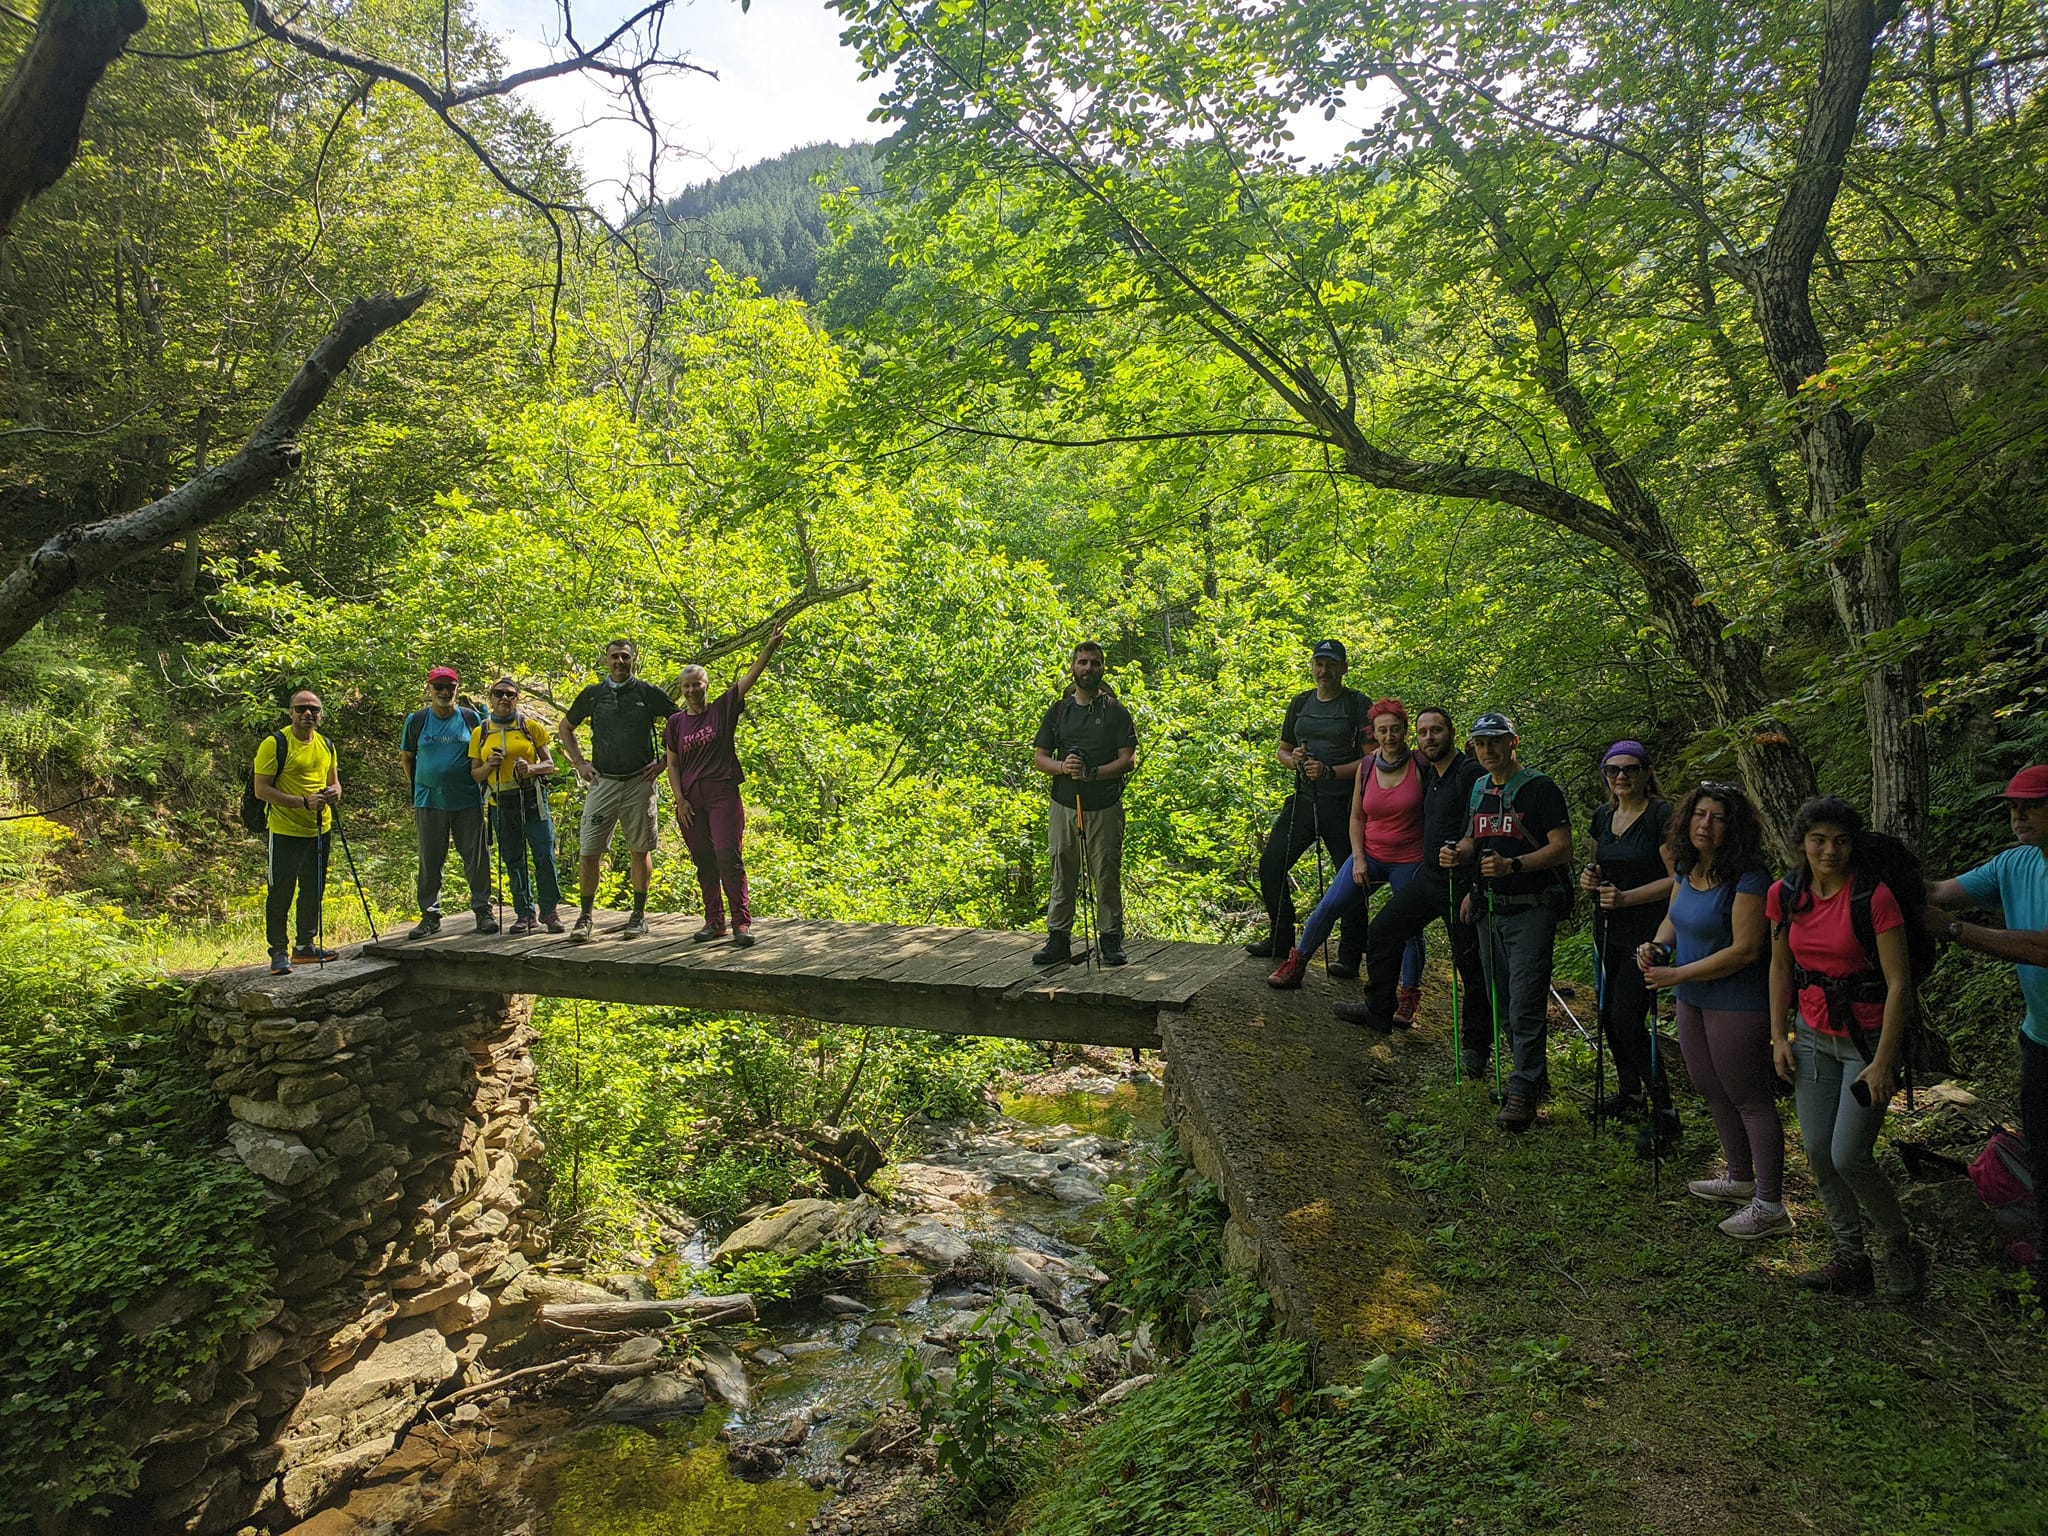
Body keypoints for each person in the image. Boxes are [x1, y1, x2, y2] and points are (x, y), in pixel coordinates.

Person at [1767, 796, 1929, 1300]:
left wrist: (1883, 1061)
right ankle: (1849, 1257)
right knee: (1817, 1150)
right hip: (1813, 1039)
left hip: (1866, 1042)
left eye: (1840, 840)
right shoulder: (1785, 894)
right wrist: (1779, 1035)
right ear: (1801, 844)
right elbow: (1779, 968)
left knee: (1849, 1154)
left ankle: (1902, 1245)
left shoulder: (1873, 898)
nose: (1829, 850)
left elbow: (1900, 983)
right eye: (1818, 840)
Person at [1921, 763, 2048, 1303]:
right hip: (2039, 1038)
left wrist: (1954, 932)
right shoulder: (2015, 862)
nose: (2018, 815)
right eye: (2013, 806)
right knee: (2042, 1156)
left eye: (2032, 805)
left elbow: (2042, 947)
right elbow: (1942, 891)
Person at [1638, 783, 1787, 1239]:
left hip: (1738, 1001)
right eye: (1700, 815)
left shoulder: (1749, 878)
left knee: (1749, 1096)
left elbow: (1746, 950)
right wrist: (1658, 948)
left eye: (1718, 818)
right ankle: (1740, 1177)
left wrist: (1678, 976)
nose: (1706, 825)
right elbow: (1674, 919)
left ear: (1734, 827)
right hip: (1693, 999)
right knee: (1710, 1087)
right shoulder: (1687, 867)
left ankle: (1771, 1204)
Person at [1441, 713, 1572, 1132]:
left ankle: (1521, 1090)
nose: (1487, 750)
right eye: (1480, 743)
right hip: (1488, 908)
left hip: (1531, 906)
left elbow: (1562, 848)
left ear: (1513, 742)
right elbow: (1471, 840)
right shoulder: (1479, 787)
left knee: (1525, 999)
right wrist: (1457, 856)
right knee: (1501, 999)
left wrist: (1513, 865)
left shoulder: (1540, 788)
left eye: (1495, 741)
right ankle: (1532, 1078)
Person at [1333, 707, 1490, 1058]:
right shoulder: (1429, 771)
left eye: (1436, 731)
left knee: (1470, 964)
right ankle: (1378, 1010)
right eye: (1423, 732)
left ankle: (1476, 1047)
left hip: (1462, 884)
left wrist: (1468, 853)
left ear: (1450, 732)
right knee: (1383, 932)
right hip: (1430, 878)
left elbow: (1484, 823)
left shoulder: (1470, 773)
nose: (1429, 738)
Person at [1267, 698, 1424, 995]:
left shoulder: (1421, 766)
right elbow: (1356, 816)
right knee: (1329, 906)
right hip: (1372, 854)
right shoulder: (1367, 766)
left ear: (1405, 731)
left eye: (1395, 730)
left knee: (1409, 926)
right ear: (1374, 735)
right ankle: (1297, 963)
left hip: (1409, 860)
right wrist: (1360, 859)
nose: (1389, 736)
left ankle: (1409, 994)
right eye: (1382, 731)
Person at [664, 622, 787, 949]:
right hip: (690, 799)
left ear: (706, 685)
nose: (692, 690)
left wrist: (769, 648)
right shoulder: (676, 723)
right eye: (686, 686)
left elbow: (748, 680)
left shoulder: (722, 709)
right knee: (704, 860)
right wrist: (679, 799)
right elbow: (672, 763)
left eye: (697, 684)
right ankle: (714, 921)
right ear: (681, 689)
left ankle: (741, 922)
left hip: (722, 793)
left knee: (727, 856)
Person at [1248, 641, 1367, 972]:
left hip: (1346, 805)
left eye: (1331, 664)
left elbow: (1374, 759)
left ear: (1343, 667)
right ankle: (1280, 938)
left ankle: (1350, 955)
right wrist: (1294, 760)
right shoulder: (1300, 703)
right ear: (1312, 666)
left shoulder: (1357, 704)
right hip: (1304, 800)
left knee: (1352, 876)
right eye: (1319, 663)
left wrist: (1331, 771)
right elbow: (1283, 750)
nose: (1323, 671)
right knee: (1272, 864)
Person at [1582, 740, 1677, 1155]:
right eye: (1613, 770)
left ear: (1645, 772)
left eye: (1630, 769)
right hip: (1608, 929)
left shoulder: (1661, 816)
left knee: (1626, 1016)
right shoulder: (1604, 816)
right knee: (1607, 1014)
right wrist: (1591, 879)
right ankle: (1630, 1093)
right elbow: (1597, 863)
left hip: (1650, 932)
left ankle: (1665, 1110)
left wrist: (1627, 898)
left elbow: (1679, 880)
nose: (1621, 777)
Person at [558, 640, 679, 943]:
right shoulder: (593, 695)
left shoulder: (647, 693)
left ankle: (638, 916)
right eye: (615, 657)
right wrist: (580, 763)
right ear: (606, 660)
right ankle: (585, 917)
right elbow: (565, 727)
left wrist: (664, 762)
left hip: (640, 781)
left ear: (633, 660)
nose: (620, 662)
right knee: (589, 852)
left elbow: (680, 723)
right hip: (603, 782)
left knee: (640, 849)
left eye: (625, 657)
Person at [1031, 641, 1138, 968]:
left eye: (1093, 663)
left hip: (1104, 805)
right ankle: (1058, 938)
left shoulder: (1116, 712)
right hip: (1063, 803)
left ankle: (1110, 940)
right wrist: (1064, 768)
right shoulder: (1058, 711)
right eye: (1082, 662)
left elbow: (1128, 760)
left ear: (1102, 668)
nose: (1087, 668)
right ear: (1073, 667)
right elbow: (1040, 757)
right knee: (1062, 868)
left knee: (1105, 871)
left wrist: (1093, 774)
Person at [400, 666, 496, 939]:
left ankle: (483, 911)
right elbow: (407, 757)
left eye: (449, 687)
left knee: (476, 859)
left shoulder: (472, 718)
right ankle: (430, 916)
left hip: (467, 799)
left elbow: (483, 752)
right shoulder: (417, 720)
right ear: (429, 689)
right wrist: (420, 785)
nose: (444, 692)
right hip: (429, 801)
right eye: (438, 687)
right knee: (430, 859)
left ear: (457, 688)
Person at [252, 689, 342, 976]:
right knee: (281, 892)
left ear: (321, 714)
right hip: (285, 830)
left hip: (319, 828)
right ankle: (278, 952)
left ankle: (305, 945)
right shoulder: (275, 744)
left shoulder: (326, 744)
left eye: (314, 710)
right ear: (290, 712)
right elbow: (261, 789)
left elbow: (335, 782)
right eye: (301, 708)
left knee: (313, 889)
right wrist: (302, 802)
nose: (308, 714)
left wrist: (334, 793)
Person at [469, 677, 564, 936]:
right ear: (490, 697)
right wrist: (490, 764)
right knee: (513, 858)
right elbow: (476, 774)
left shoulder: (529, 727)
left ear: (517, 698)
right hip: (501, 801)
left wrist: (530, 768)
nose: (504, 698)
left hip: (532, 800)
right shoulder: (481, 732)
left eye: (510, 694)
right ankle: (524, 914)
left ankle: (549, 910)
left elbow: (550, 764)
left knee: (544, 854)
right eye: (498, 693)